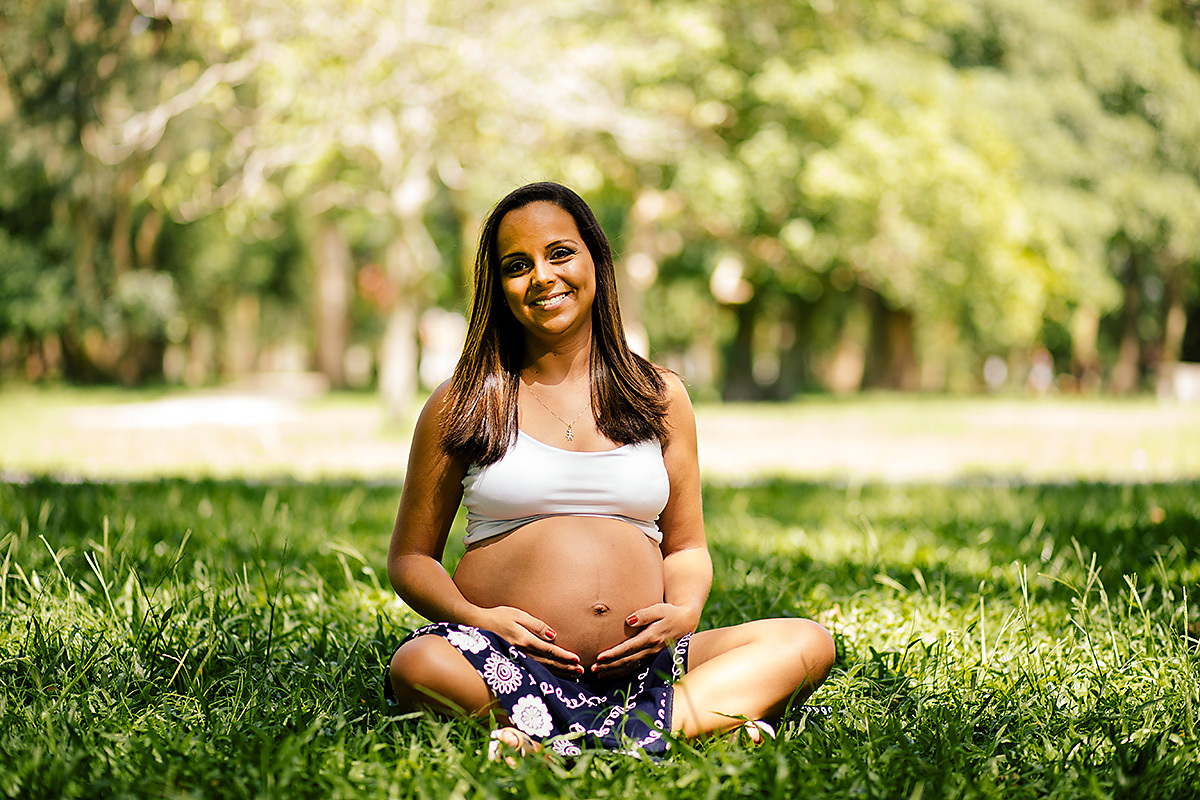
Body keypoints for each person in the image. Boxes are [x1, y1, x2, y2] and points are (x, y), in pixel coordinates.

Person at [385, 181, 834, 758]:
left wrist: (685, 612)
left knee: (804, 642)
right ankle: (664, 727)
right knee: (417, 664)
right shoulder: (465, 401)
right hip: (503, 662)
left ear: (596, 259)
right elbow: (410, 558)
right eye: (517, 265)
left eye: (561, 253)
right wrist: (477, 617)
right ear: (497, 287)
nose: (543, 277)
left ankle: (570, 736)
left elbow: (688, 547)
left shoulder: (659, 395)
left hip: (645, 663)